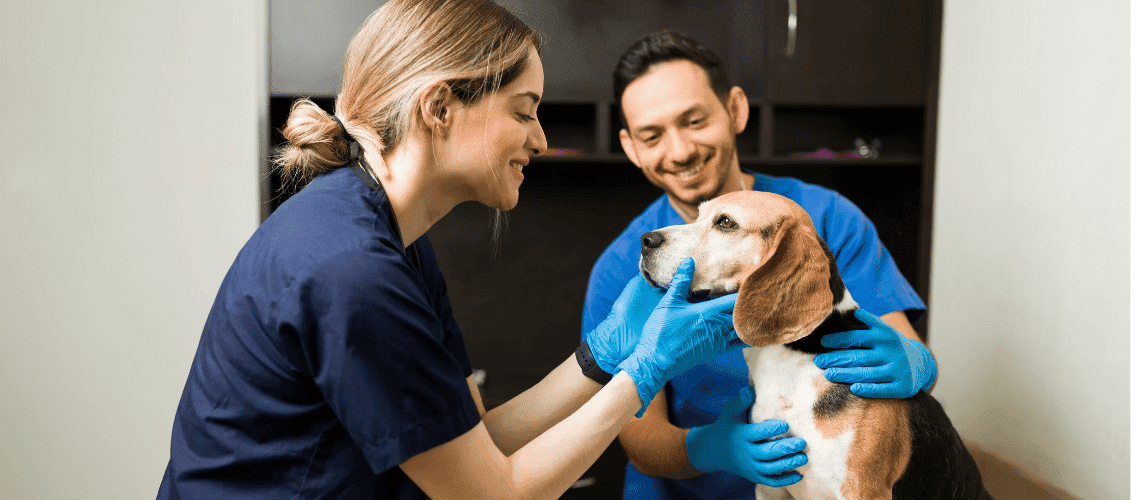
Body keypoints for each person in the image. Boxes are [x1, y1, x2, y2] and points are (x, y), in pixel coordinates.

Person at [157, 4, 747, 499]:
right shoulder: (352, 269)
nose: (540, 140)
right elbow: (492, 494)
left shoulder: (395, 241)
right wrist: (645, 370)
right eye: (523, 111)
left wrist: (603, 355)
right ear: (438, 108)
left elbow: (480, 437)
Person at [581, 30, 936, 499]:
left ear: (735, 110)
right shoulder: (623, 267)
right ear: (630, 147)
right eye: (652, 135)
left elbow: (897, 354)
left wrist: (915, 364)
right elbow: (638, 438)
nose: (680, 150)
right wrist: (708, 448)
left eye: (694, 121)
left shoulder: (825, 220)